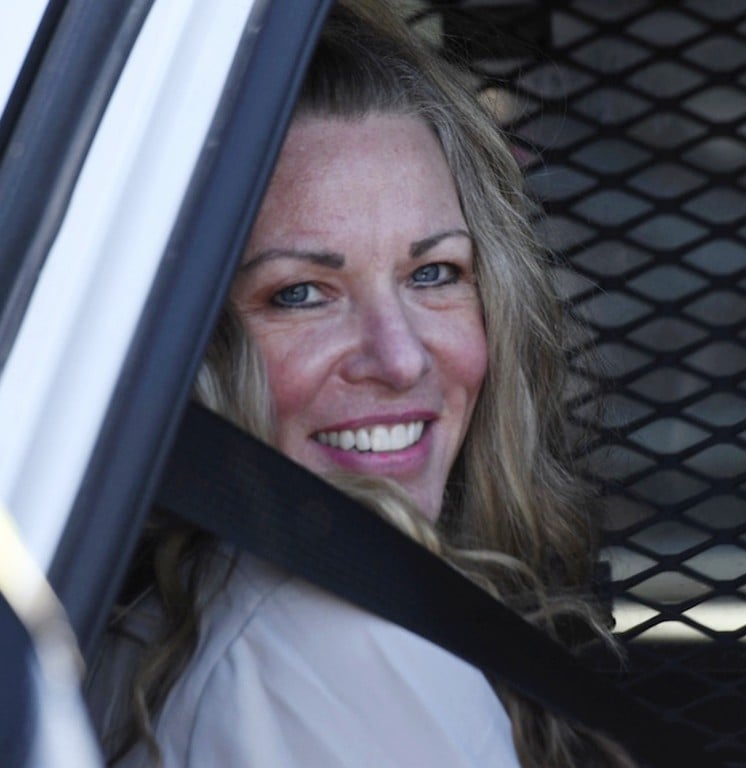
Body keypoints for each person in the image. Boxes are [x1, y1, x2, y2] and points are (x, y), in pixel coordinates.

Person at [87, 2, 637, 767]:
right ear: (184, 338)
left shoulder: (153, 614)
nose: (400, 358)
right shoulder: (341, 648)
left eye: (434, 273)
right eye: (300, 293)